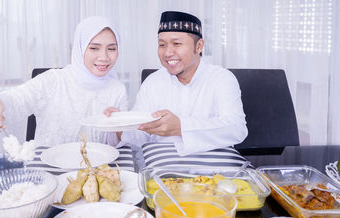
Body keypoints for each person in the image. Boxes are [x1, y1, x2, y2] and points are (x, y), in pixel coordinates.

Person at [106, 11, 247, 155]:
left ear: (199, 46)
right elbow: (141, 136)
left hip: (216, 170)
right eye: (162, 44)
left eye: (177, 44)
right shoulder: (153, 82)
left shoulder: (222, 79)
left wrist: (181, 127)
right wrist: (121, 124)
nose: (167, 52)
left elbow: (236, 129)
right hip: (163, 170)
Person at [0, 16, 127, 147]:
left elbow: (116, 144)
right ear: (80, 49)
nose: (104, 57)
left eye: (112, 49)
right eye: (94, 48)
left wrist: (118, 126)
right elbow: (18, 98)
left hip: (95, 174)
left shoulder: (117, 89)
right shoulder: (54, 80)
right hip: (48, 171)